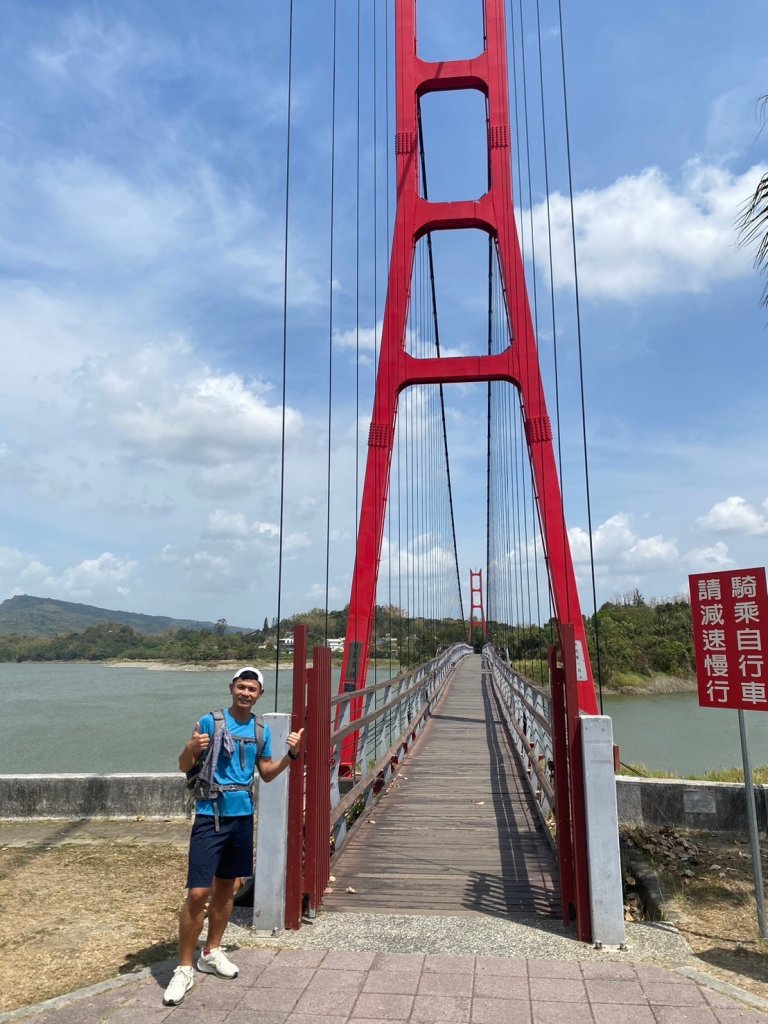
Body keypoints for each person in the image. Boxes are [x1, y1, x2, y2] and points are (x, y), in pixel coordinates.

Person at [163, 666, 303, 1007]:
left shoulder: (260, 730)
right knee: (198, 892)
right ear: (231, 688)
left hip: (242, 817)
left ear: (260, 695)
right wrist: (190, 746)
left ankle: (211, 952)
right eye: (241, 687)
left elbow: (267, 775)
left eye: (251, 689)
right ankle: (183, 968)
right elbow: (184, 766)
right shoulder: (210, 722)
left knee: (227, 888)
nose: (245, 693)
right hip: (210, 816)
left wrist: (292, 755)